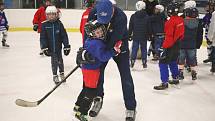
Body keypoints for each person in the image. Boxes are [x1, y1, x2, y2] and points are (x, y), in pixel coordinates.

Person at [79, 0, 137, 121]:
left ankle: (131, 107)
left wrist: (98, 53)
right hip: (101, 47)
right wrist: (86, 50)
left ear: (113, 10)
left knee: (125, 76)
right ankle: (98, 99)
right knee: (97, 74)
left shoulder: (121, 17)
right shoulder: (93, 12)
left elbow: (113, 41)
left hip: (119, 47)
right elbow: (87, 31)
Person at [74, 20, 122, 121]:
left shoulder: (92, 41)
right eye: (97, 32)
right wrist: (113, 51)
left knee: (86, 88)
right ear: (92, 34)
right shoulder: (96, 44)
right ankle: (81, 112)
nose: (100, 33)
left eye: (100, 31)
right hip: (92, 70)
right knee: (91, 91)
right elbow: (103, 57)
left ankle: (78, 105)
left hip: (87, 69)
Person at [153, 2, 184, 90]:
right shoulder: (180, 20)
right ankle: (175, 78)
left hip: (170, 45)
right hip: (178, 44)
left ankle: (164, 82)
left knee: (162, 63)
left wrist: (164, 47)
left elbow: (169, 37)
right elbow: (182, 34)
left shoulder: (170, 22)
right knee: (173, 61)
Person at [40, 6, 71, 84]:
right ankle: (55, 75)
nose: (51, 16)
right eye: (49, 14)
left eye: (53, 14)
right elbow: (43, 38)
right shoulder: (44, 25)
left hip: (58, 47)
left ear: (56, 15)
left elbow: (64, 36)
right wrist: (44, 47)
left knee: (60, 60)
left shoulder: (59, 24)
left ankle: (62, 73)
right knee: (54, 61)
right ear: (46, 15)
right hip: (50, 48)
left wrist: (66, 46)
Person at [178, 7, 203, 81]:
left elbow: (178, 33)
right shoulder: (198, 23)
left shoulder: (182, 22)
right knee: (192, 59)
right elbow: (199, 35)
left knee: (181, 58)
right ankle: (193, 71)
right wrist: (198, 44)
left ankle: (180, 72)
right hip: (192, 45)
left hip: (182, 44)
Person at [129, 1, 149, 68]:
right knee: (144, 49)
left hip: (136, 36)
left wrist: (129, 35)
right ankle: (144, 62)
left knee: (135, 48)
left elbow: (131, 26)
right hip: (144, 36)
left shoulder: (133, 16)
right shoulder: (147, 16)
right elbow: (149, 27)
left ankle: (132, 61)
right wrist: (149, 35)